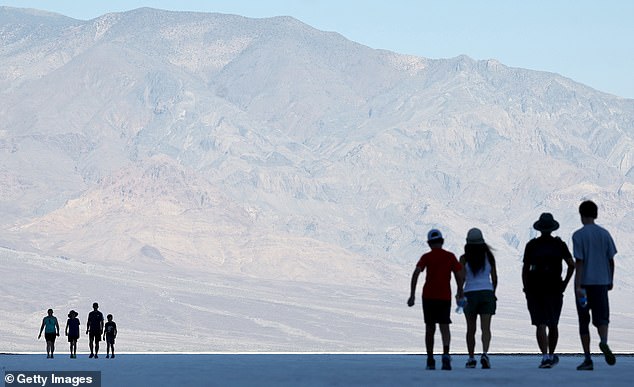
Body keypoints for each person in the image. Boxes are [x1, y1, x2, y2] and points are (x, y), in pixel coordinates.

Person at [522, 213, 575, 368]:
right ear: (552, 228)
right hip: (554, 288)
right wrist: (564, 283)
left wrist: (526, 287)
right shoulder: (559, 244)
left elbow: (525, 269)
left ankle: (545, 356)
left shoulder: (531, 245)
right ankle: (551, 355)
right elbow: (571, 265)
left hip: (535, 288)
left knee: (540, 323)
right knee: (553, 323)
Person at [408, 229, 464, 370]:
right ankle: (445, 355)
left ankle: (430, 359)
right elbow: (459, 274)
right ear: (442, 241)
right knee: (444, 326)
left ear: (429, 243)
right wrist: (460, 290)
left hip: (428, 297)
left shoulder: (426, 257)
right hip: (444, 297)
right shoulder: (450, 256)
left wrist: (412, 294)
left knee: (430, 328)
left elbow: (416, 273)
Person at [572, 200, 618, 370]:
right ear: (596, 214)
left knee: (584, 321)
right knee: (602, 317)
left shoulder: (578, 235)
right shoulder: (605, 234)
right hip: (601, 284)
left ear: (581, 215)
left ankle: (588, 358)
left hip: (584, 285)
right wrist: (610, 279)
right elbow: (611, 260)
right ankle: (604, 342)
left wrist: (577, 286)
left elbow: (579, 262)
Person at [460, 228, 498, 369]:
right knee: (486, 328)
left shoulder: (464, 258)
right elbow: (494, 278)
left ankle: (471, 358)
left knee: (471, 329)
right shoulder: (489, 257)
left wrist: (460, 293)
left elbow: (461, 278)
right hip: (487, 293)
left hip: (470, 293)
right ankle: (485, 354)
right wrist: (492, 292)